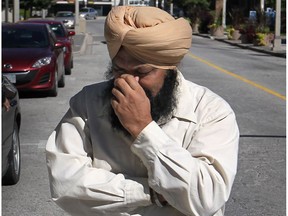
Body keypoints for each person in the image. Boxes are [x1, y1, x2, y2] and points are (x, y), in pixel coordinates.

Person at [46, 6, 239, 216]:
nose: (129, 82)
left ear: (170, 68)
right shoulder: (87, 104)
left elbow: (206, 197)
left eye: (142, 72)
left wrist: (143, 129)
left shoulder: (210, 111)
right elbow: (65, 185)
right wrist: (153, 192)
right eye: (119, 70)